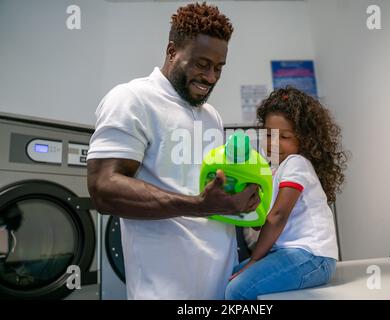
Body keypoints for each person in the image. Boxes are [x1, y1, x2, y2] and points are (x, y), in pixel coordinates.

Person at [86, 2, 260, 300]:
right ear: (171, 52)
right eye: (201, 64)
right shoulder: (131, 99)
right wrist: (200, 205)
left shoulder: (211, 116)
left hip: (221, 289)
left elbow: (212, 191)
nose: (211, 77)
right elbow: (103, 189)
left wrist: (242, 201)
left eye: (219, 68)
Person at [225, 86, 348, 300]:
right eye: (269, 135)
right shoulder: (274, 170)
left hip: (313, 256)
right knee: (225, 279)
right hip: (289, 253)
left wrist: (254, 259)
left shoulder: (296, 163)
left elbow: (278, 216)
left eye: (284, 136)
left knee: (237, 290)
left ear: (305, 139)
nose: (274, 143)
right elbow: (265, 220)